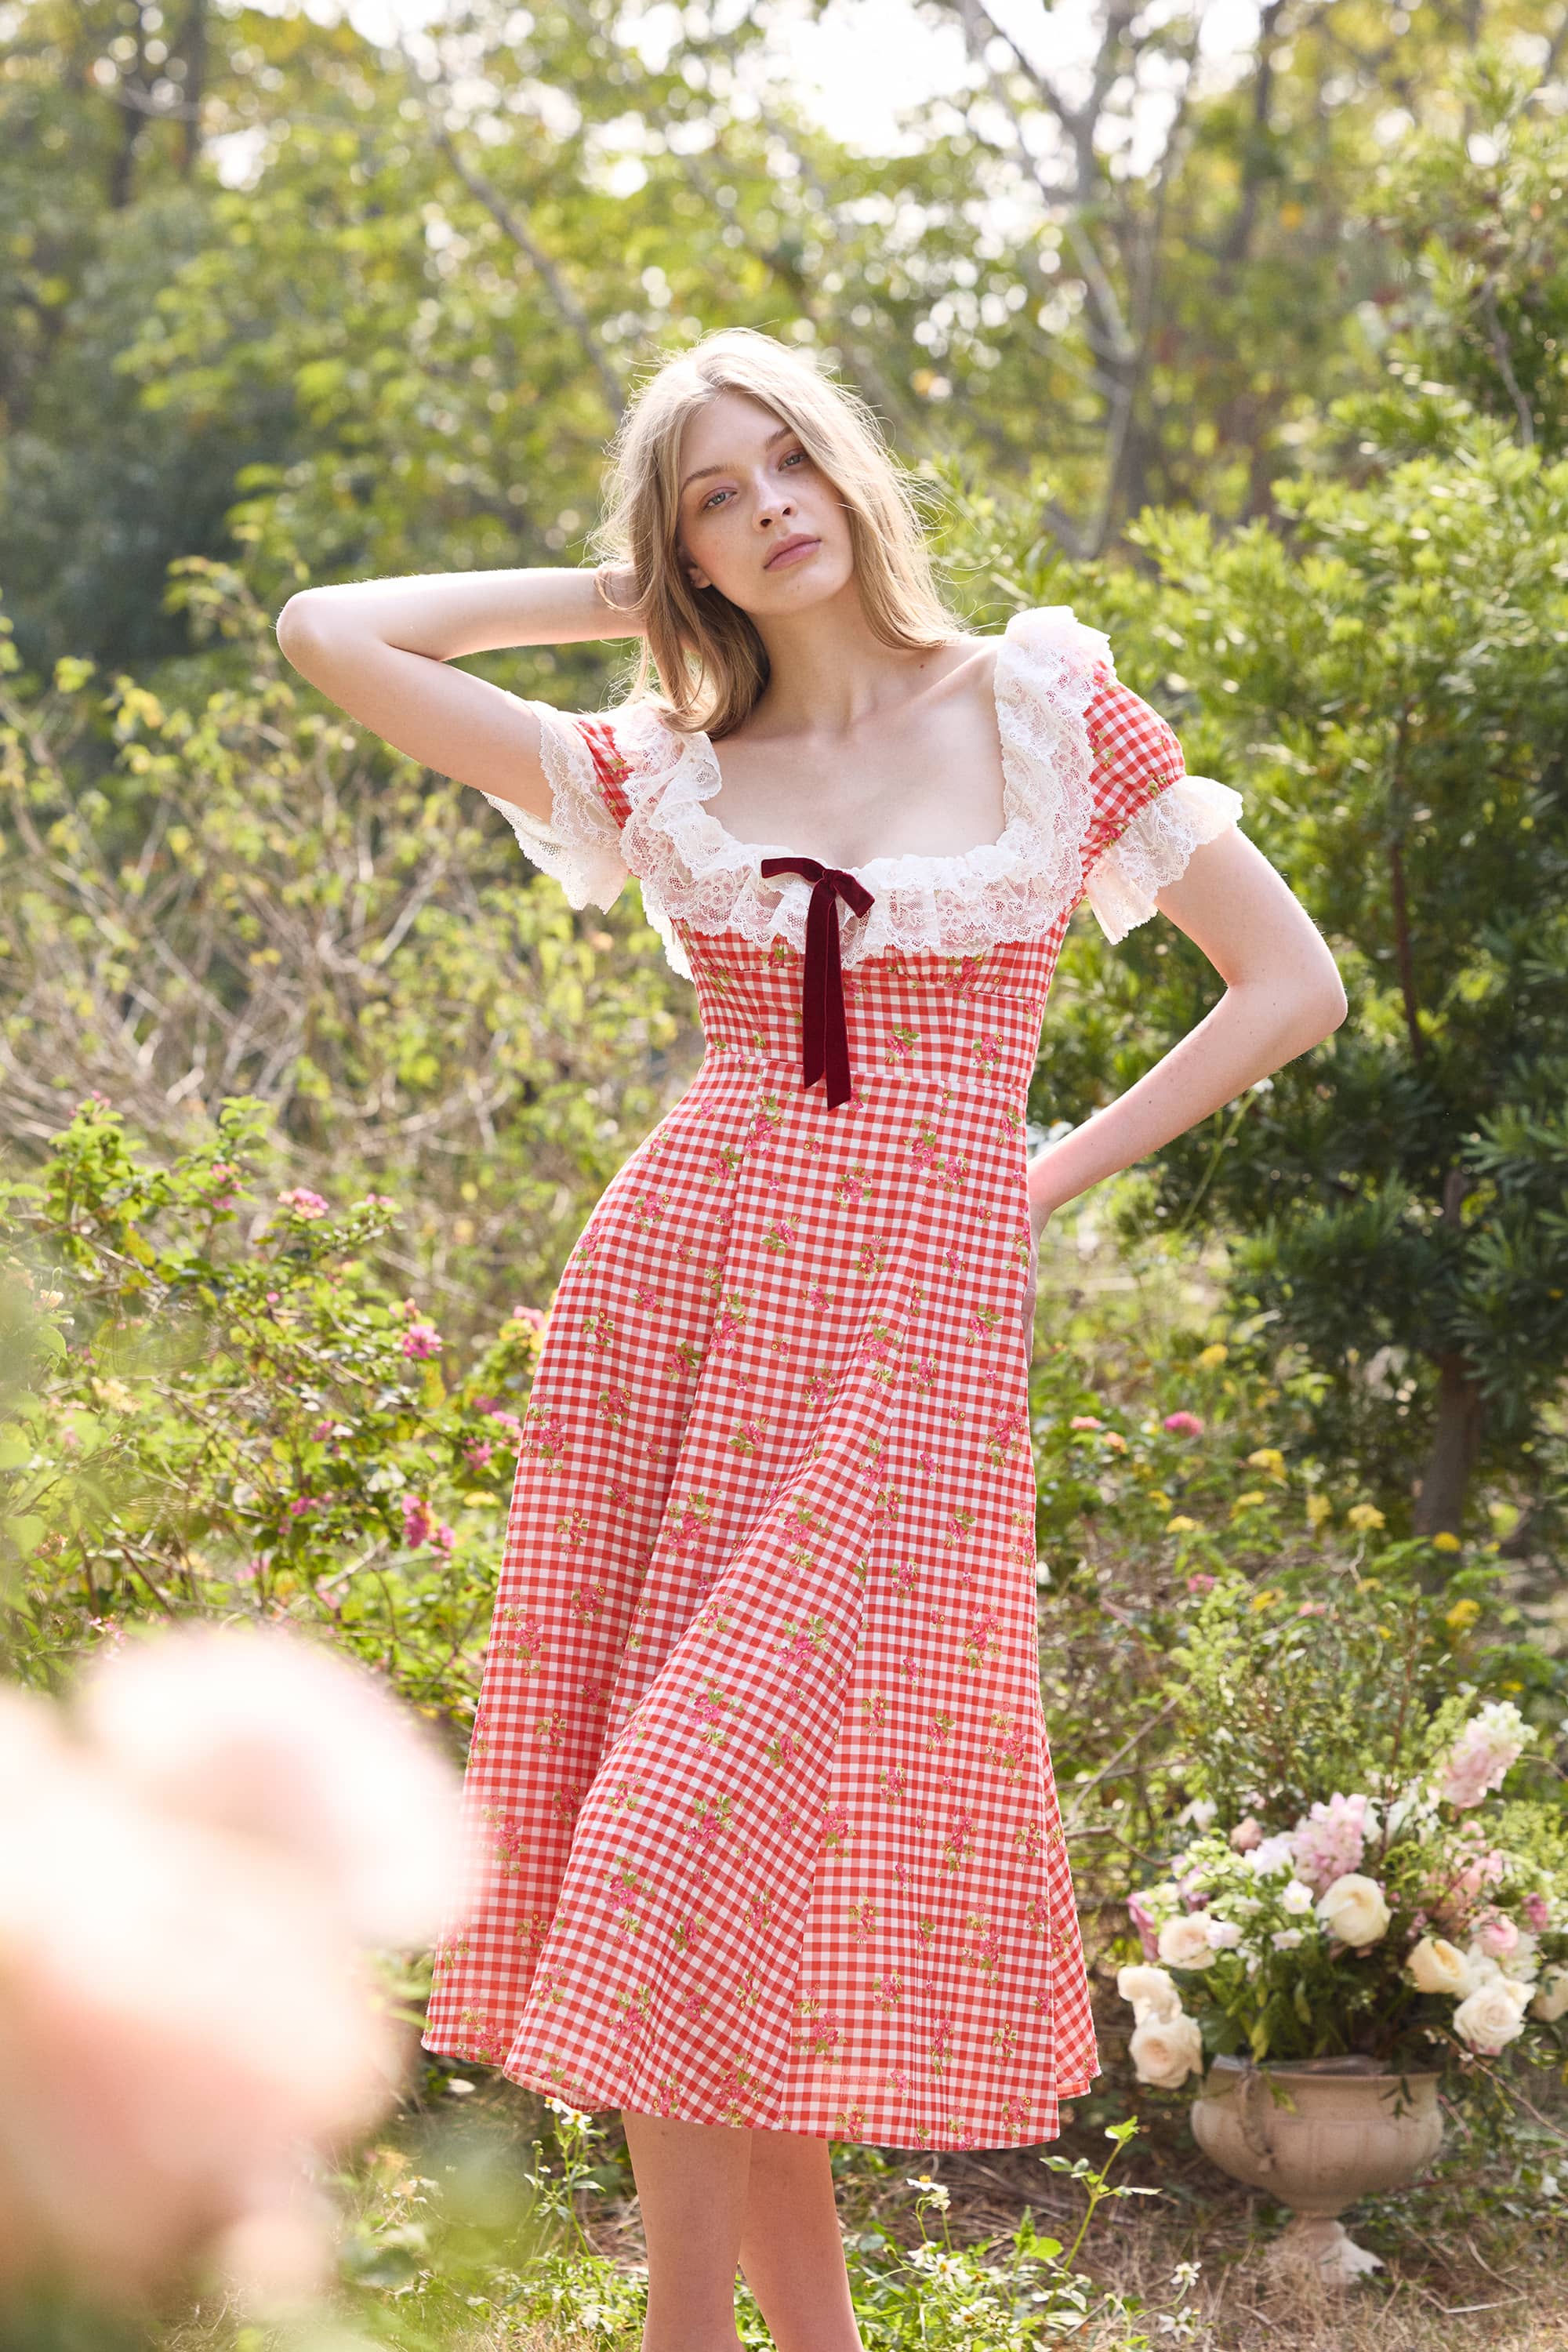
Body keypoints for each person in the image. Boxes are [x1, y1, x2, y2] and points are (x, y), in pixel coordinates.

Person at [274, 325, 1346, 2352]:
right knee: (712, 1853)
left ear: (847, 475)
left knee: (692, 1820)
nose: (768, 507)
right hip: (683, 1302)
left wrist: (1045, 1173)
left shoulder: (1042, 708)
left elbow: (1288, 984)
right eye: (711, 494)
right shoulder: (665, 766)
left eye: (785, 466)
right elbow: (329, 629)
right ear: (682, 547)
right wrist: (610, 597)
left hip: (920, 1333)